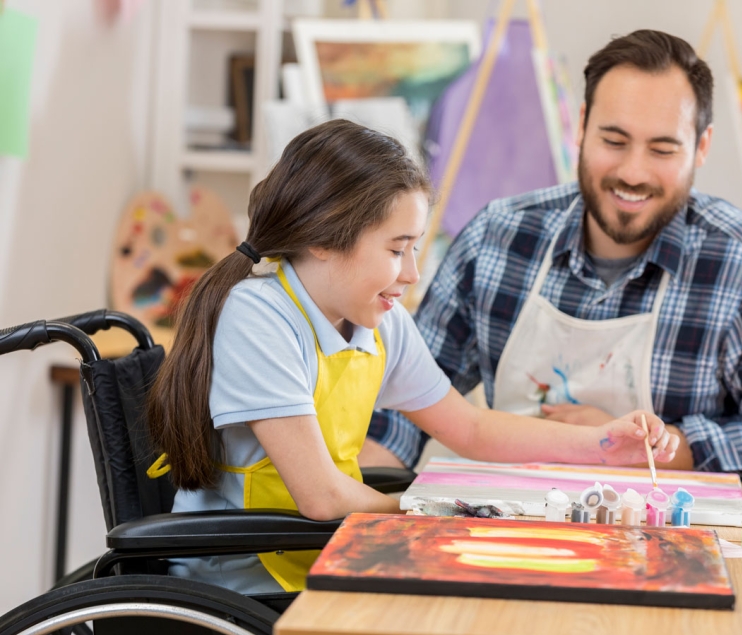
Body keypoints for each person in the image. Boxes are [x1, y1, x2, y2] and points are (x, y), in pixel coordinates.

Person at [145, 120, 677, 594]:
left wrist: (605, 446)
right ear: (325, 238)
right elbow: (322, 499)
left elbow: (468, 428)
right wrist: (440, 510)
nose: (412, 273)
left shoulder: (378, 322)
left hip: (322, 556)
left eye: (416, 248)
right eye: (397, 249)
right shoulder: (260, 316)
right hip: (243, 583)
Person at [366, 30, 742, 482]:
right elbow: (406, 397)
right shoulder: (498, 236)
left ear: (701, 147)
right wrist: (348, 504)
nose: (632, 172)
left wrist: (656, 449)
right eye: (614, 142)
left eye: (662, 149)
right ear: (581, 127)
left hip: (671, 544)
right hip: (510, 529)